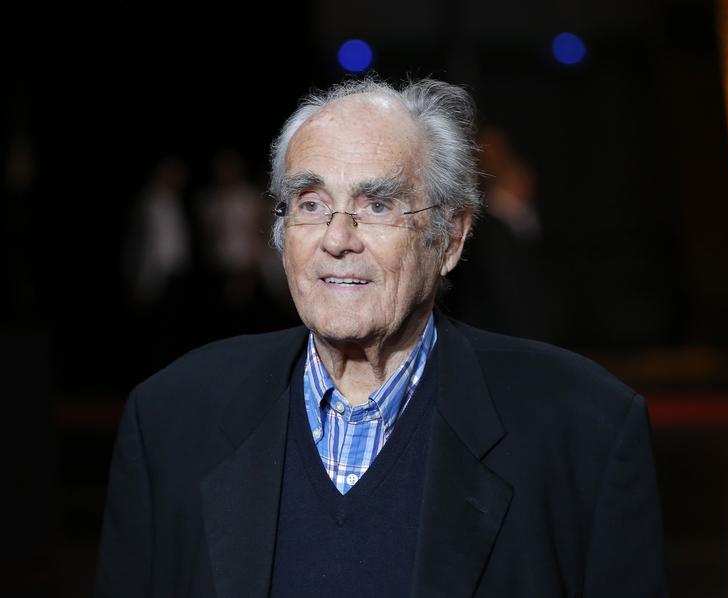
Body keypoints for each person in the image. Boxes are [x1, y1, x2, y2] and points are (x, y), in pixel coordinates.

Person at [95, 78, 668, 598]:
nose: (337, 238)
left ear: (450, 239)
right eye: (312, 204)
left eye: (376, 205)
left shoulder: (584, 430)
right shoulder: (170, 418)